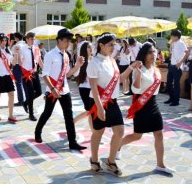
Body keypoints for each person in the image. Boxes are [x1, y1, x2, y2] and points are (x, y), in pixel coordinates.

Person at [86, 33, 138, 176]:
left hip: (113, 101)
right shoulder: (94, 63)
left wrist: (132, 67)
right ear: (101, 45)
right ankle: (94, 160)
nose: (113, 47)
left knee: (120, 131)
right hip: (98, 102)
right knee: (98, 131)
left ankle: (110, 161)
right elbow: (94, 88)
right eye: (110, 44)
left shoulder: (112, 61)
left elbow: (119, 79)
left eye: (114, 44)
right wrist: (100, 107)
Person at [120, 42, 174, 174]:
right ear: (144, 55)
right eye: (150, 52)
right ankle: (116, 146)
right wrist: (138, 74)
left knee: (159, 134)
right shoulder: (139, 69)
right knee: (137, 136)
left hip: (153, 104)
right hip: (141, 105)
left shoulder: (155, 69)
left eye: (154, 52)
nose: (153, 54)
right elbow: (135, 89)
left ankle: (160, 165)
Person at [34, 28, 87, 151]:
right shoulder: (50, 55)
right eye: (66, 40)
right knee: (47, 113)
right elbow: (45, 74)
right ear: (59, 40)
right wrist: (52, 89)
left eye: (69, 41)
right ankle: (38, 132)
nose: (68, 43)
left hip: (65, 90)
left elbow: (67, 74)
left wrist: (78, 66)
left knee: (69, 116)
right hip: (52, 90)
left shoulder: (66, 55)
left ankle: (72, 142)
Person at [0, 33, 17, 123]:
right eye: (2, 40)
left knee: (11, 94)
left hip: (7, 75)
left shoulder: (8, 51)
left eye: (6, 40)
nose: (4, 42)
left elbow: (13, 63)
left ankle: (10, 115)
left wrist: (16, 54)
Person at [20, 32, 43, 121]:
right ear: (27, 39)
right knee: (30, 93)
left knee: (39, 92)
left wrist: (45, 70)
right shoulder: (23, 49)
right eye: (31, 39)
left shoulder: (36, 49)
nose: (33, 40)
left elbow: (39, 61)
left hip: (35, 72)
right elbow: (20, 63)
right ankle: (31, 114)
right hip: (26, 73)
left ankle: (26, 103)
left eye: (34, 39)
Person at [164, 30, 189, 106]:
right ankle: (171, 98)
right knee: (168, 83)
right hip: (171, 65)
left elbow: (187, 53)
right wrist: (171, 46)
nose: (171, 37)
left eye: (172, 36)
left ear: (176, 36)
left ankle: (176, 101)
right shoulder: (174, 43)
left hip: (177, 66)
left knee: (176, 84)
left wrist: (180, 62)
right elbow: (170, 54)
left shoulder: (181, 43)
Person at [73, 41, 93, 131]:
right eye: (89, 47)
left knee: (91, 111)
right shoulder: (81, 60)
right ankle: (74, 121)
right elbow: (75, 74)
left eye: (92, 47)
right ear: (85, 49)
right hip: (84, 88)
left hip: (93, 89)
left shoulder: (93, 60)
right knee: (90, 111)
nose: (91, 49)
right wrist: (78, 65)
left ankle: (94, 132)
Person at [11, 32, 26, 106]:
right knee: (24, 83)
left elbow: (11, 54)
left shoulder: (17, 45)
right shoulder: (25, 45)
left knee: (18, 83)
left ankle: (21, 100)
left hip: (17, 65)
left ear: (16, 38)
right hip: (25, 66)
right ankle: (25, 99)